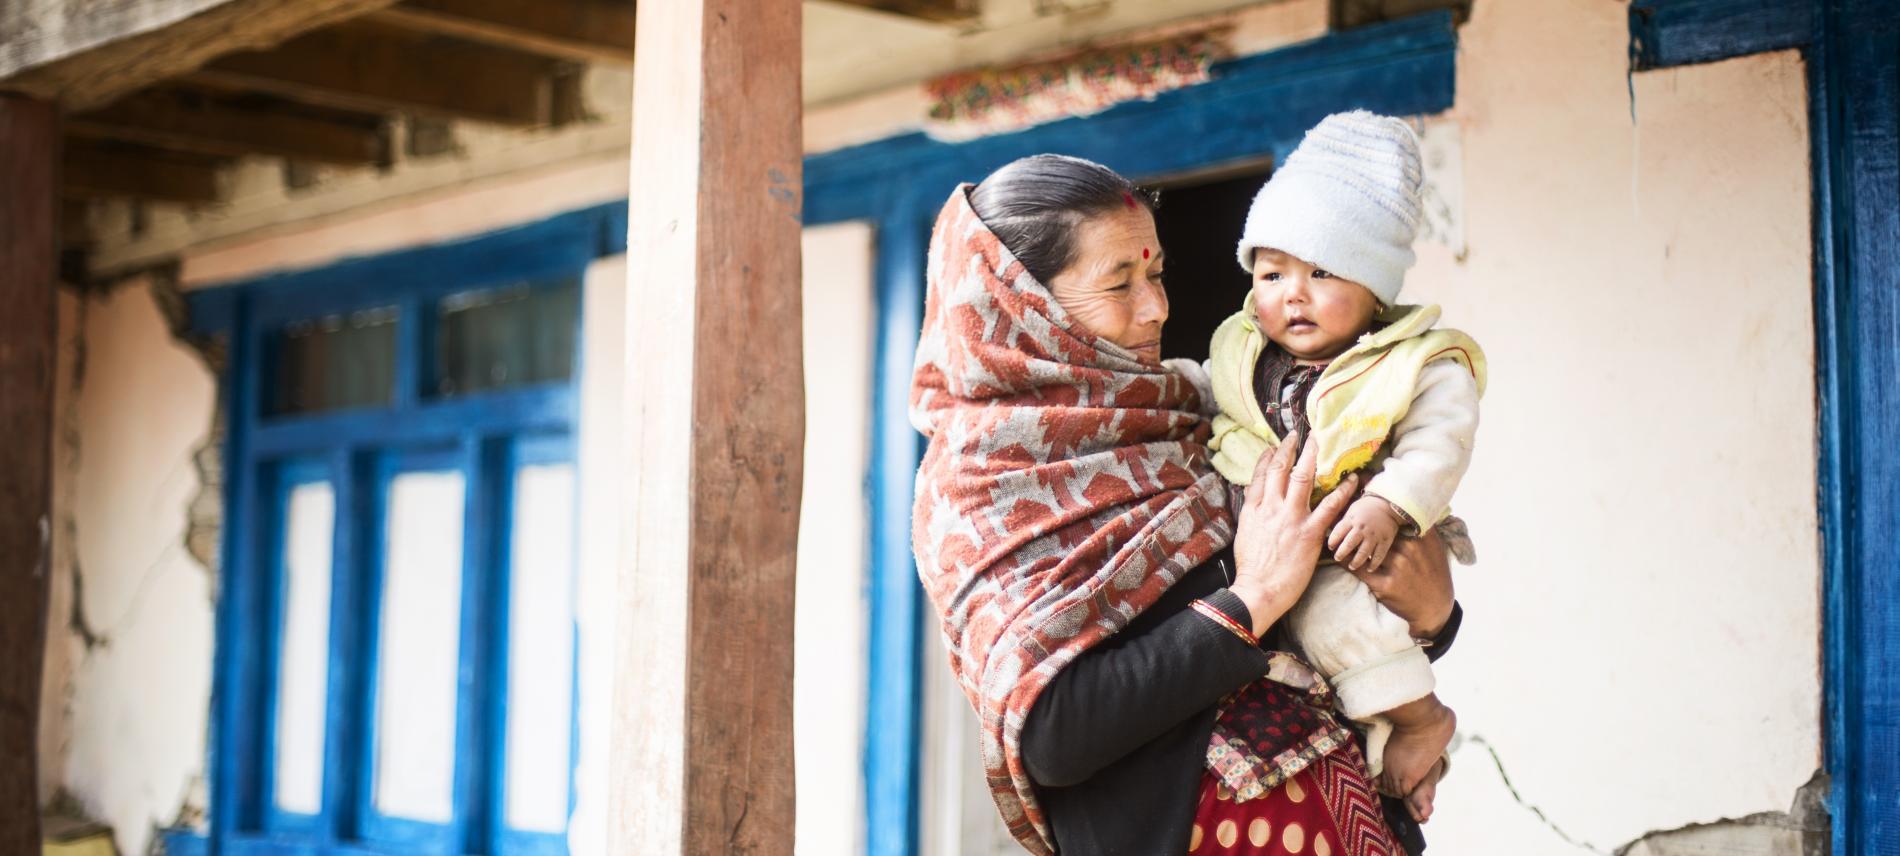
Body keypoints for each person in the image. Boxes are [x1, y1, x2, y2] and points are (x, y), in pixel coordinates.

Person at [909, 153, 1462, 856]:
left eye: (1157, 273)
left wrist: (1433, 617)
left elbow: (1335, 605)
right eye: (1120, 283)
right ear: (1025, 307)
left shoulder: (1202, 415)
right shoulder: (983, 486)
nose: (1158, 307)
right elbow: (1055, 736)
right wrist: (1254, 595)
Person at [1206, 111, 1485, 815]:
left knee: (1341, 628)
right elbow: (1201, 393)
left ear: (1375, 289)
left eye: (1323, 271)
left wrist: (1388, 503)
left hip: (1352, 541)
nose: (1291, 293)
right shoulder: (1242, 351)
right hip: (1261, 549)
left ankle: (1424, 723)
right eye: (1271, 273)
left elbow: (1438, 444)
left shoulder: (1414, 363)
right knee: (1318, 672)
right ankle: (1392, 766)